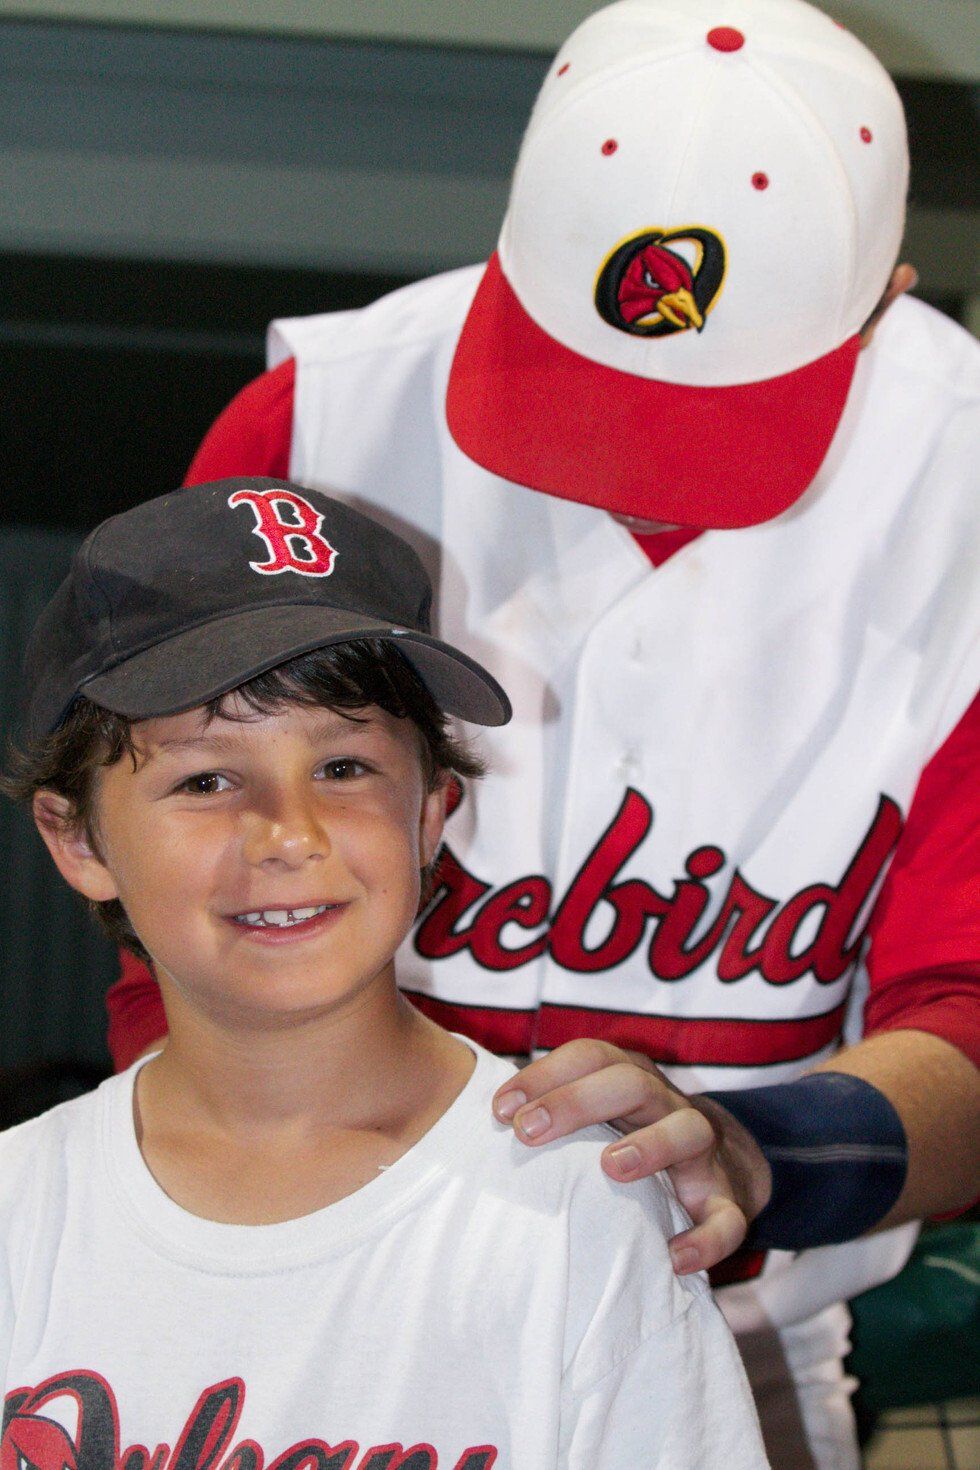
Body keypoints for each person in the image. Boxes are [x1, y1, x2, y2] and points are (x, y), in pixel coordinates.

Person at [104, 2, 979, 1465]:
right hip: (302, 1311)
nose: (630, 465)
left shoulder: (961, 491)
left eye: (718, 406)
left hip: (737, 1354)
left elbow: (968, 1016)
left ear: (885, 293)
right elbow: (169, 907)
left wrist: (757, 1152)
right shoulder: (314, 431)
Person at [0, 478, 770, 1470]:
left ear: (430, 811)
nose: (288, 833)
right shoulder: (21, 1212)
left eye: (343, 768)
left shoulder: (578, 1205)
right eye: (206, 779)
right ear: (77, 839)